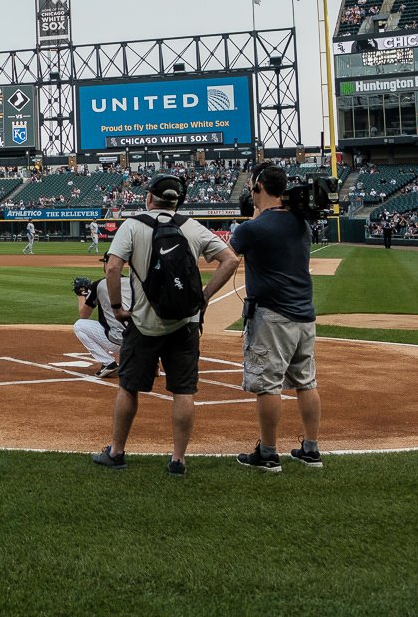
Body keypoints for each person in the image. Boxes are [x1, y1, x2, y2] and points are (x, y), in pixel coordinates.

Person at [91, 173, 239, 478]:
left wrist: (118, 307)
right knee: (183, 390)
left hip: (143, 323)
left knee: (129, 387)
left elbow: (113, 266)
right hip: (185, 323)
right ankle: (178, 460)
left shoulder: (132, 225)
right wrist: (204, 297)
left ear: (149, 197)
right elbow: (231, 260)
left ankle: (116, 452)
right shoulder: (192, 226)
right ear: (178, 200)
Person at [230, 164, 323, 471]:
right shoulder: (301, 224)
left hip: (271, 317)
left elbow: (230, 253)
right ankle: (311, 449)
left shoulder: (252, 228)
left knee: (268, 386)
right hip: (304, 316)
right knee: (306, 383)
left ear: (258, 187)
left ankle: (268, 453)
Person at [72, 260, 129, 377]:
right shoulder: (133, 283)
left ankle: (108, 363)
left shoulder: (99, 284)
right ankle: (152, 363)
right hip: (138, 340)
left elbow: (84, 315)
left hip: (116, 340)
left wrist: (81, 294)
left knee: (79, 325)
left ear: (106, 265)